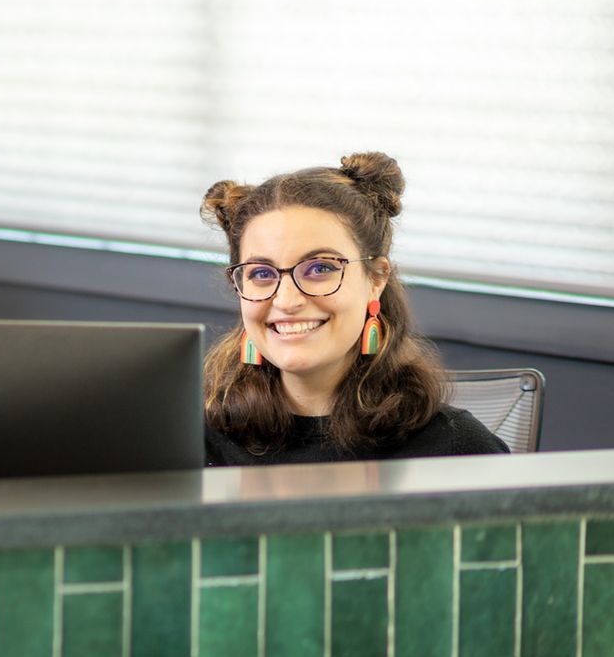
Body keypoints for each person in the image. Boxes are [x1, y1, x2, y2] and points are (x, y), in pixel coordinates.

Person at [199, 152, 507, 465]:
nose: (287, 301)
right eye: (262, 274)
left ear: (376, 278)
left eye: (320, 268)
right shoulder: (193, 440)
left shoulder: (457, 449)